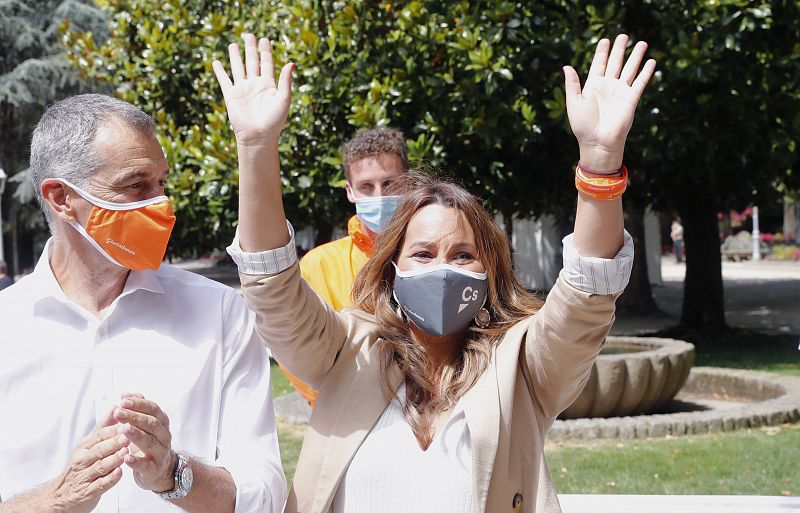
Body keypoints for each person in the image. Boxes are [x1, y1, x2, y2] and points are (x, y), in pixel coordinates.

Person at [215, 32, 653, 512]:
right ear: (392, 270)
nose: (443, 270)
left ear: (491, 272)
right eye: (422, 254)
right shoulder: (345, 352)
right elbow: (271, 284)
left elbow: (587, 292)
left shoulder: (524, 367)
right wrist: (255, 146)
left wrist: (601, 161)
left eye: (463, 255)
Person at [0, 94, 286, 513]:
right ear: (62, 198)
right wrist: (55, 500)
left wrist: (174, 474)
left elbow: (265, 494)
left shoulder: (220, 313)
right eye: (136, 185)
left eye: (161, 183)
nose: (160, 204)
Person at [285, 127, 408, 405]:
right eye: (366, 186)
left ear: (409, 185)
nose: (378, 195)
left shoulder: (435, 256)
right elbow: (296, 351)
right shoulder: (320, 265)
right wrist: (333, 407)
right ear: (350, 191)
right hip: (349, 421)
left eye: (389, 184)